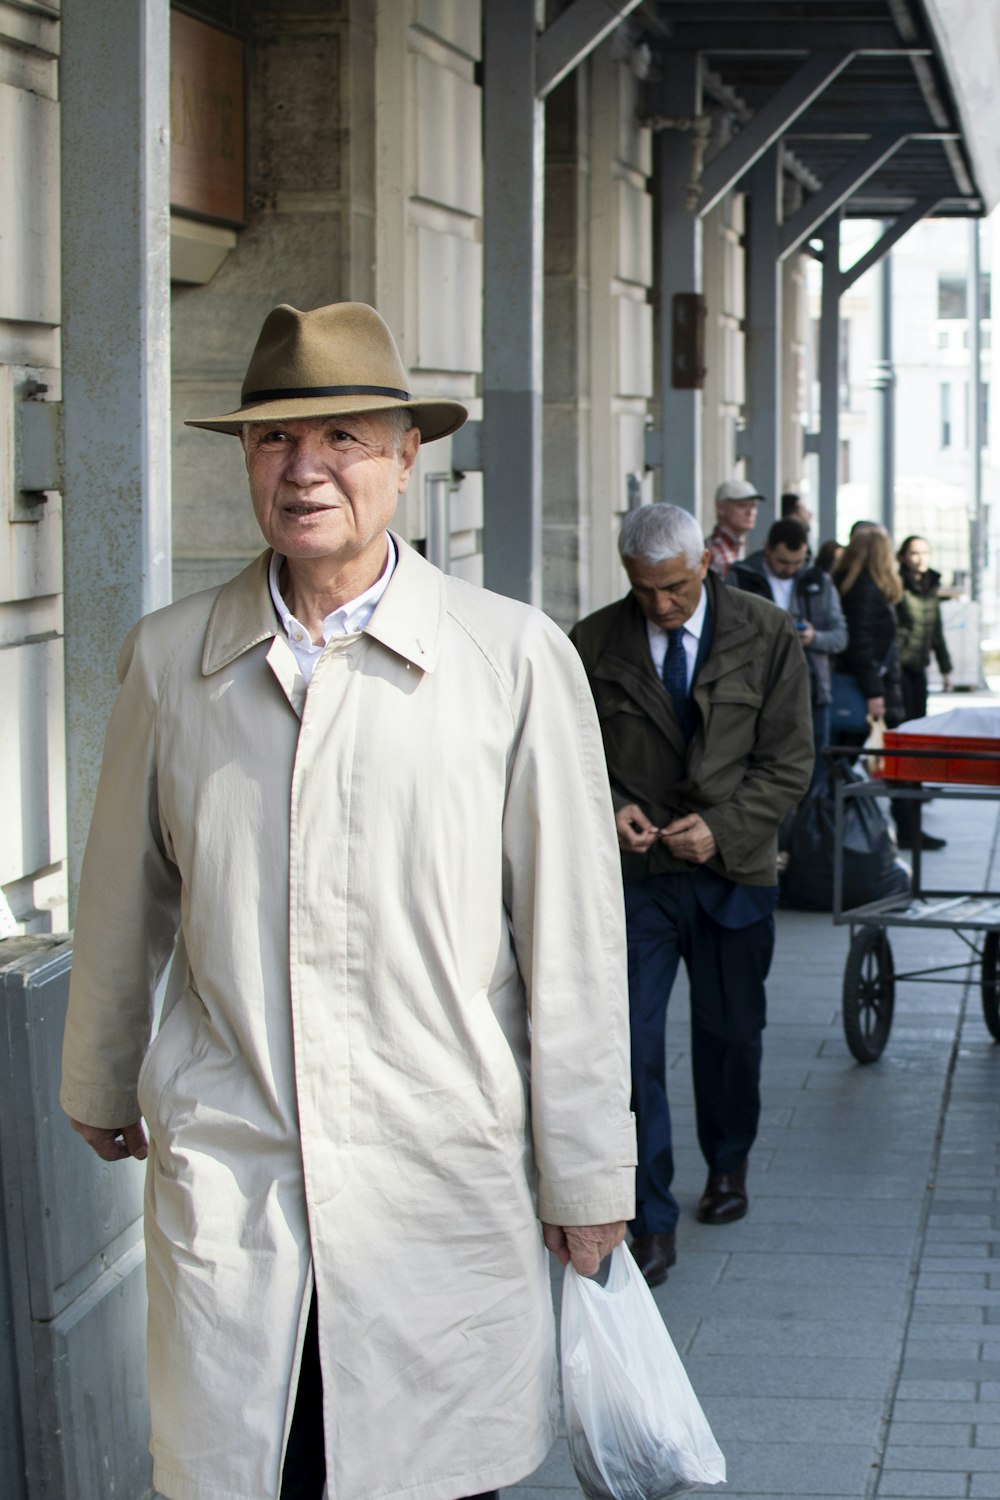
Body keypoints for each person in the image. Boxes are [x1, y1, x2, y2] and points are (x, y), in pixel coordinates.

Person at [59, 301, 637, 1500]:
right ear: (245, 461)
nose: (306, 468)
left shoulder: (509, 659)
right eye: (276, 440)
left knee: (434, 1474)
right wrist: (100, 1075)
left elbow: (574, 943)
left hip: (437, 1171)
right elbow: (123, 895)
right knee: (253, 1465)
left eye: (346, 437)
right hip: (236, 1161)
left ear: (407, 458)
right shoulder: (173, 660)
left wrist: (586, 1176)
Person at [570, 504, 812, 1289]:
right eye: (644, 592)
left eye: (673, 588)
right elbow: (564, 752)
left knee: (731, 1035)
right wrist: (608, 806)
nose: (660, 605)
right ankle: (649, 1216)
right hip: (635, 881)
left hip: (731, 872)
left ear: (705, 563)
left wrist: (724, 828)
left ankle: (728, 1166)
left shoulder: (766, 633)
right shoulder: (593, 640)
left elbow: (788, 762)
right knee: (631, 1052)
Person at [729, 518, 847, 777]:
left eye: (798, 562)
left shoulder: (820, 581)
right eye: (783, 562)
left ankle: (806, 820)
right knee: (761, 771)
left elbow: (840, 637)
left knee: (811, 773)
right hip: (756, 691)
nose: (791, 569)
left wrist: (814, 638)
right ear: (767, 549)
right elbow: (724, 635)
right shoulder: (741, 576)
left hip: (813, 691)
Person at [896, 534, 953, 720]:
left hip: (919, 664)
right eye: (914, 553)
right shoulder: (897, 585)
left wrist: (946, 669)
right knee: (903, 719)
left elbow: (936, 631)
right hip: (899, 665)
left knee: (920, 718)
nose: (921, 558)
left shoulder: (931, 586)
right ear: (903, 557)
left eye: (925, 553)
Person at [705, 479, 763, 576]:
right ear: (720, 509)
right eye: (742, 505)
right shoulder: (714, 553)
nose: (750, 512)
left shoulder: (738, 548)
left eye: (753, 506)